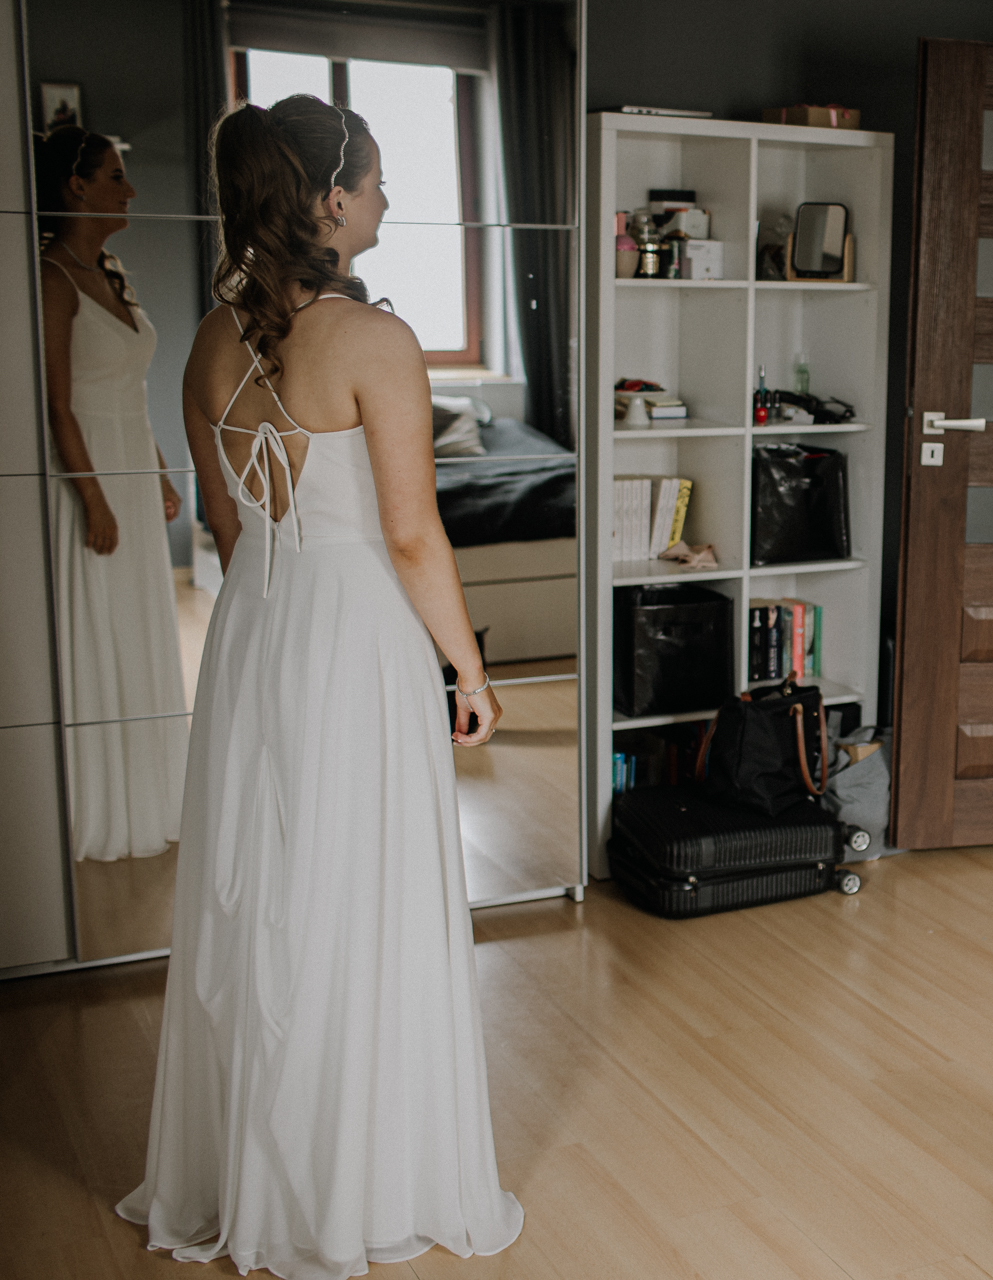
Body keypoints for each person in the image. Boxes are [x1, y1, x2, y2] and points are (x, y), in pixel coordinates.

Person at [117, 95, 523, 1276]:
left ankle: (260, 1168)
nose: (389, 198)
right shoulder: (374, 341)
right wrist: (468, 666)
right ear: (333, 200)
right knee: (359, 887)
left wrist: (277, 599)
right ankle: (360, 1178)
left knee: (265, 894)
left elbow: (225, 523)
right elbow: (410, 534)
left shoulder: (211, 338)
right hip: (354, 633)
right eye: (380, 181)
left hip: (259, 625)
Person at [35, 127, 190, 861]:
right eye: (115, 176)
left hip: (129, 463)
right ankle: (100, 804)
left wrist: (156, 469)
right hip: (87, 474)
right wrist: (93, 499)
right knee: (99, 625)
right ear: (76, 186)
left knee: (139, 622)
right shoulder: (51, 278)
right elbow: (57, 405)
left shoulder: (111, 269)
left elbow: (129, 388)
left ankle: (150, 791)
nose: (129, 189)